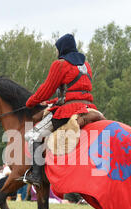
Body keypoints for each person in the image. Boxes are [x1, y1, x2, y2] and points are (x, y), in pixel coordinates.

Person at [24, 33, 103, 188]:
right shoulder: (86, 66)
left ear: (62, 49)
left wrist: (30, 102)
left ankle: (36, 176)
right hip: (88, 108)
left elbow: (46, 89)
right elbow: (75, 92)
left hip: (69, 111)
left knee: (33, 135)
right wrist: (53, 102)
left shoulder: (60, 64)